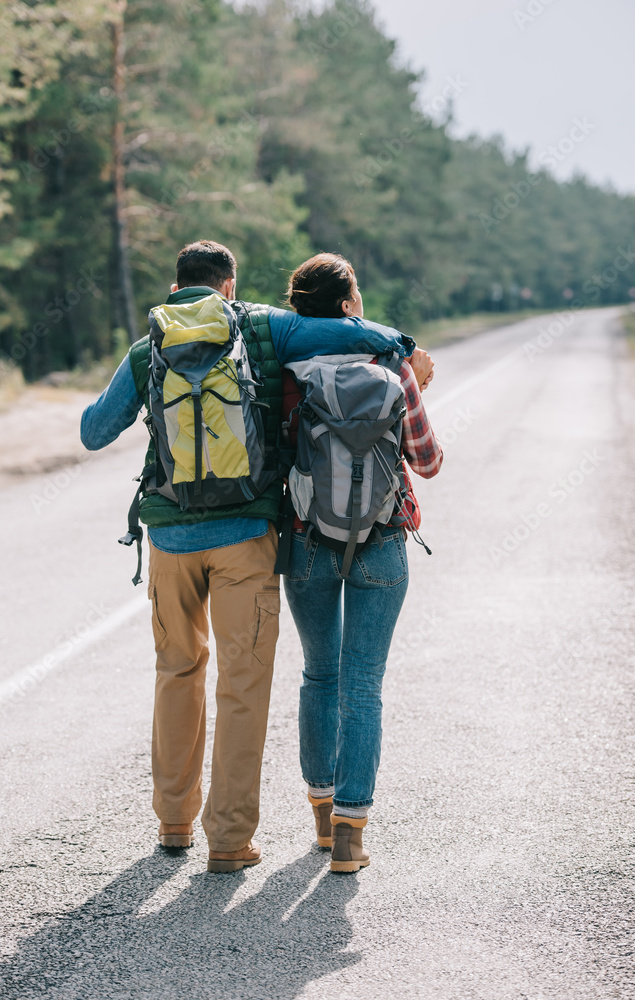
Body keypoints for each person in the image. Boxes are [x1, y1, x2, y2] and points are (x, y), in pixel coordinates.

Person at [80, 240, 423, 873]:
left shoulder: (150, 346)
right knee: (242, 684)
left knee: (177, 671)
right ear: (229, 286)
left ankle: (175, 823)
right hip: (246, 537)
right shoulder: (260, 326)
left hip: (171, 540)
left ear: (176, 287)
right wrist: (397, 343)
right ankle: (230, 844)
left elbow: (94, 432)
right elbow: (339, 328)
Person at [281, 253, 443, 873]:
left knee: (319, 676)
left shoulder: (285, 367)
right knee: (363, 683)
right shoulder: (391, 362)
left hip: (306, 538)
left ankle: (322, 818)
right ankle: (351, 834)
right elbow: (425, 460)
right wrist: (414, 389)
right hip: (383, 539)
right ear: (350, 304)